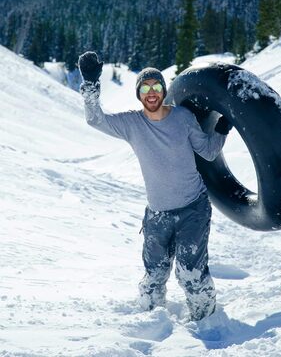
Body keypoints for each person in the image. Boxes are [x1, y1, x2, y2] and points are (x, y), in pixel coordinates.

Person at [78, 51, 233, 321]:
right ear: (139, 94)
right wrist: (91, 85)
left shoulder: (183, 117)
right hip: (157, 214)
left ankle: (206, 321)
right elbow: (95, 119)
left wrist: (221, 130)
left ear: (163, 90)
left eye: (156, 87)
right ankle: (150, 322)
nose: (151, 92)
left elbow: (208, 152)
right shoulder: (131, 123)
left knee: (190, 272)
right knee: (153, 276)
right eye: (146, 88)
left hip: (192, 210)